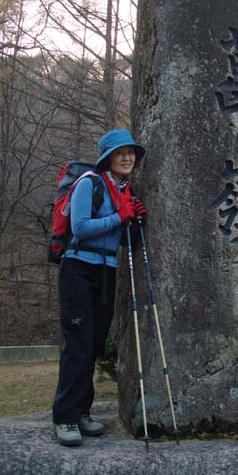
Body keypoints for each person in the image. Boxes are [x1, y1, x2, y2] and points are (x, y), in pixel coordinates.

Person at [52, 129, 147, 447]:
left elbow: (122, 240)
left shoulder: (124, 190)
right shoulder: (89, 183)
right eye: (121, 152)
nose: (127, 157)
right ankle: (65, 417)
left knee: (92, 346)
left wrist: (135, 223)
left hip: (106, 273)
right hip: (78, 270)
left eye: (131, 152)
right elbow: (80, 227)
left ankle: (81, 412)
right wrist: (120, 216)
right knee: (77, 345)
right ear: (107, 156)